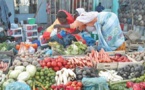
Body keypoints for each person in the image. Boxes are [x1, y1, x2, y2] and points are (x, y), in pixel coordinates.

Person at [54, 8, 126, 51]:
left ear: (78, 14)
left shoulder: (82, 17)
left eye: (75, 15)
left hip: (107, 19)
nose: (74, 17)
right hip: (110, 17)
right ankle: (116, 49)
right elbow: (77, 30)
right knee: (113, 36)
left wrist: (59, 25)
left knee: (110, 38)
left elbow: (72, 26)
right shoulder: (85, 20)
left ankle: (115, 50)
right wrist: (70, 34)